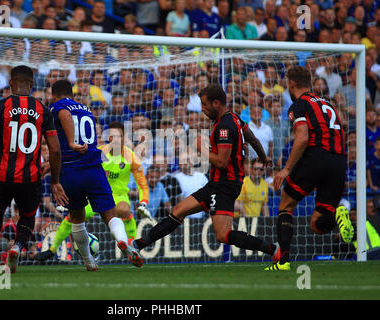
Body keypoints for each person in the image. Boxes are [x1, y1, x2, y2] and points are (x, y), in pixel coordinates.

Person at [132, 84, 279, 259]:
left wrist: (201, 148)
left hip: (225, 185)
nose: (202, 109)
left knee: (223, 234)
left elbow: (222, 162)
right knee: (178, 210)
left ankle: (272, 249)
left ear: (216, 103)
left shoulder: (224, 126)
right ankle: (138, 245)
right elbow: (252, 138)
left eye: (204, 104)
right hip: (216, 184)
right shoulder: (235, 118)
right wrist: (263, 157)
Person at [33, 80, 143, 269]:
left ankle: (88, 261)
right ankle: (123, 241)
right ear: (73, 94)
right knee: (110, 214)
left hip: (71, 171)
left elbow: (65, 117)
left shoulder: (57, 107)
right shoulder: (86, 109)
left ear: (53, 95)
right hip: (94, 169)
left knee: (77, 219)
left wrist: (67, 148)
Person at [0, 65, 68, 274]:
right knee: (27, 214)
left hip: (2, 175)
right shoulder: (43, 110)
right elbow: (55, 150)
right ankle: (17, 247)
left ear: (10, 83)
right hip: (30, 176)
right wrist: (55, 181)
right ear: (32, 84)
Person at [266, 66, 351, 271]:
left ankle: (283, 262)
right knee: (318, 224)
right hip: (339, 160)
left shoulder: (299, 105)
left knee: (285, 206)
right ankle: (339, 212)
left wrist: (286, 169)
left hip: (316, 157)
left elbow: (302, 137)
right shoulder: (327, 104)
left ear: (291, 84)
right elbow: (341, 129)